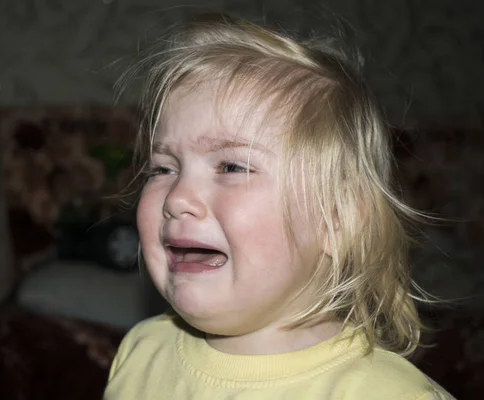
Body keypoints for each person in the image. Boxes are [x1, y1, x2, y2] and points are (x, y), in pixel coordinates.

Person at [104, 13, 454, 399]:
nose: (176, 198)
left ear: (337, 221)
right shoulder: (139, 351)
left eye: (231, 166)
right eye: (163, 168)